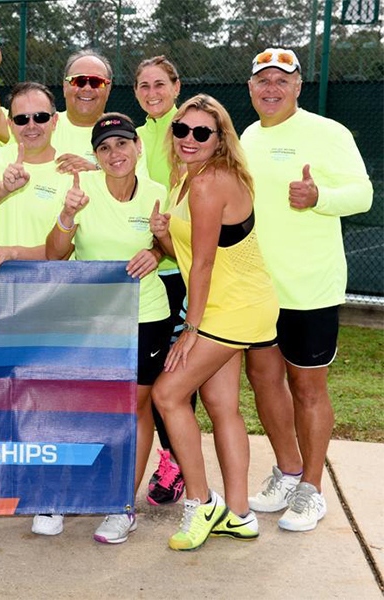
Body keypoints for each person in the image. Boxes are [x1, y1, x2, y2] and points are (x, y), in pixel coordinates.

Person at [241, 48, 373, 532]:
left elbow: (363, 194)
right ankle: (288, 471)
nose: (271, 88)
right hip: (257, 287)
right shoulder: (248, 136)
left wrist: (320, 197)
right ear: (251, 88)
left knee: (307, 388)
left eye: (282, 79)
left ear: (298, 85)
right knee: (263, 380)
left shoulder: (329, 132)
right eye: (263, 80)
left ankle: (312, 490)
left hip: (310, 288)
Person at [148, 94, 279, 551]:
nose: (189, 138)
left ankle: (200, 502)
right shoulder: (188, 178)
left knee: (167, 394)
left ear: (220, 139)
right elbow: (191, 253)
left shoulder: (209, 182)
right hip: (229, 304)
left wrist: (190, 328)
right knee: (222, 405)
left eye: (201, 132)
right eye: (181, 129)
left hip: (233, 308)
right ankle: (239, 515)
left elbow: (203, 264)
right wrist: (164, 236)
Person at [45, 113, 170, 543]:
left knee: (135, 408)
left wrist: (158, 250)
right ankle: (62, 496)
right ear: (95, 156)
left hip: (147, 313)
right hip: (93, 318)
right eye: (104, 147)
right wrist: (67, 214)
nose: (115, 153)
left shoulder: (158, 193)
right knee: (82, 407)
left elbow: (173, 249)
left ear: (137, 147)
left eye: (122, 143)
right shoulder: (82, 189)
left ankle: (122, 505)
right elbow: (55, 253)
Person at [133, 55, 191, 506]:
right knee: (147, 380)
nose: (152, 93)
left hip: (178, 272)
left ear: (176, 86)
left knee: (174, 378)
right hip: (142, 275)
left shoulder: (190, 132)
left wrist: (163, 249)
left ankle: (175, 463)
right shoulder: (134, 137)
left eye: (159, 84)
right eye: (143, 85)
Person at [0, 20, 112, 171]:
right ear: (65, 86)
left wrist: (97, 170)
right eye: (79, 81)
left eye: (97, 82)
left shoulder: (122, 134)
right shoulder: (40, 123)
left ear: (109, 88)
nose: (87, 88)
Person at [0, 82, 74, 272]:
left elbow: (64, 250)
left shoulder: (73, 172)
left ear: (54, 121)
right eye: (21, 119)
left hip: (51, 286)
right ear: (10, 124)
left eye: (40, 117)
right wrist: (4, 188)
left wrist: (13, 253)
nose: (31, 126)